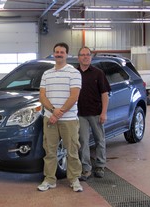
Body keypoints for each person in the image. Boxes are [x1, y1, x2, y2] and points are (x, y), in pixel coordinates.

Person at [38, 42, 83, 192]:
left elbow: (74, 95)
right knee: (50, 151)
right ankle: (50, 180)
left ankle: (74, 179)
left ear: (67, 55)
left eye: (61, 52)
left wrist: (59, 112)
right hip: (49, 118)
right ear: (53, 54)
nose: (58, 54)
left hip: (69, 119)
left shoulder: (74, 73)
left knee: (72, 150)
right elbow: (42, 95)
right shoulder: (46, 74)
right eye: (56, 52)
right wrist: (52, 110)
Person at [77, 46, 111, 180]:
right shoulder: (74, 74)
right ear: (78, 57)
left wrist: (104, 113)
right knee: (83, 142)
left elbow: (105, 95)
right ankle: (86, 169)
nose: (85, 57)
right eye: (83, 55)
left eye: (88, 55)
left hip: (96, 113)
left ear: (90, 57)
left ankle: (100, 166)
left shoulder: (98, 73)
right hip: (80, 115)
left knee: (100, 140)